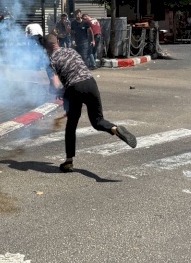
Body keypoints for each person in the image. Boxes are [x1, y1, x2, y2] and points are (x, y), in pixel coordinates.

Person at [43, 34, 136, 172]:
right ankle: (114, 129)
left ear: (46, 48)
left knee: (71, 125)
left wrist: (54, 92)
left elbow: (56, 86)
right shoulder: (71, 51)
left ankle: (69, 162)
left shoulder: (50, 61)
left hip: (74, 88)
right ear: (57, 42)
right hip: (91, 83)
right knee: (98, 121)